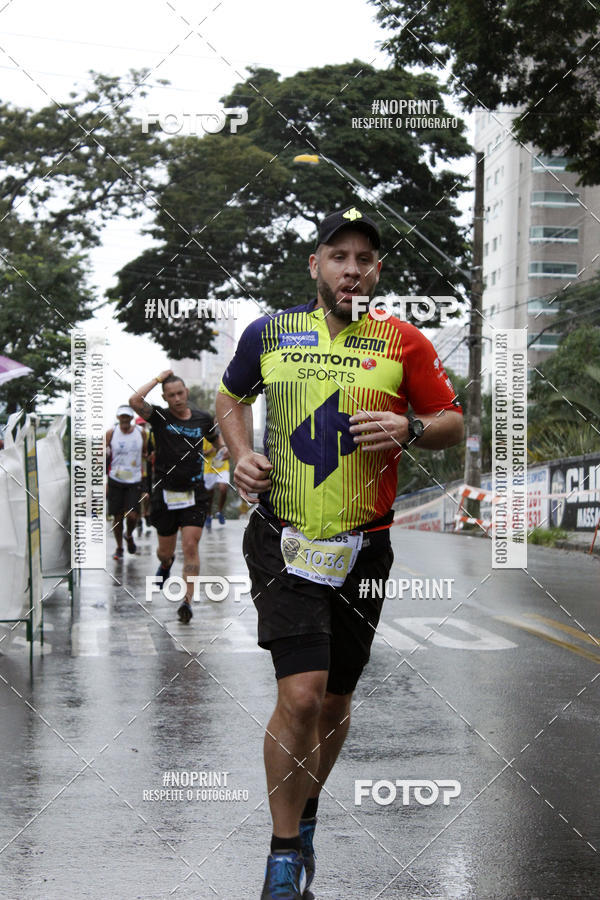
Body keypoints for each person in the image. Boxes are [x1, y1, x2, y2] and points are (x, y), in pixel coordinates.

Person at [215, 206, 464, 899]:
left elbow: (451, 421)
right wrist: (240, 456)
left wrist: (411, 425)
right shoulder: (269, 333)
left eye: (364, 258)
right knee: (300, 694)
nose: (351, 268)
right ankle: (283, 852)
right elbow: (229, 398)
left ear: (377, 270)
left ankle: (308, 811)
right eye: (338, 255)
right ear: (315, 264)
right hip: (282, 537)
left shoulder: (402, 341)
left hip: (366, 547)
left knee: (333, 704)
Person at [129, 370, 222, 623]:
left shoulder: (203, 419)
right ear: (165, 397)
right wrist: (157, 378)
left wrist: (219, 452)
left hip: (195, 493)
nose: (178, 399)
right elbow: (135, 401)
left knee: (191, 545)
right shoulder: (160, 417)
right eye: (171, 395)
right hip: (165, 495)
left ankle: (187, 601)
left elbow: (217, 441)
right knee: (164, 552)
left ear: (187, 393)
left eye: (181, 393)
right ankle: (166, 564)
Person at [106, 405, 147, 560]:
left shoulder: (140, 433)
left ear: (131, 418)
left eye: (127, 417)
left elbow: (145, 453)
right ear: (118, 418)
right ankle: (119, 548)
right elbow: (101, 452)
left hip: (134, 479)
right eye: (121, 416)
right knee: (117, 517)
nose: (124, 419)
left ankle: (128, 535)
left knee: (132, 516)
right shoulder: (111, 433)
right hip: (115, 478)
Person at [202, 432, 230, 528]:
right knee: (209, 494)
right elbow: (201, 453)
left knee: (223, 488)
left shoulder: (224, 436)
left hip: (222, 466)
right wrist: (211, 450)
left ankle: (220, 512)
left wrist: (226, 454)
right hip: (209, 467)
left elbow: (230, 453)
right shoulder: (205, 436)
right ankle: (208, 515)